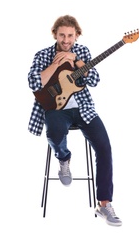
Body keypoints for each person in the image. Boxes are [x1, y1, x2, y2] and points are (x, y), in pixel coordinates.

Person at [28, 15, 122, 226]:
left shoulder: (83, 52)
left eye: (70, 35)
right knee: (53, 133)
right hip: (55, 108)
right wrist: (56, 64)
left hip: (83, 109)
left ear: (76, 35)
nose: (66, 39)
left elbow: (95, 80)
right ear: (55, 34)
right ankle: (64, 158)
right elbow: (33, 82)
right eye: (62, 35)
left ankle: (104, 204)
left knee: (105, 148)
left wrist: (76, 61)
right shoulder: (43, 54)